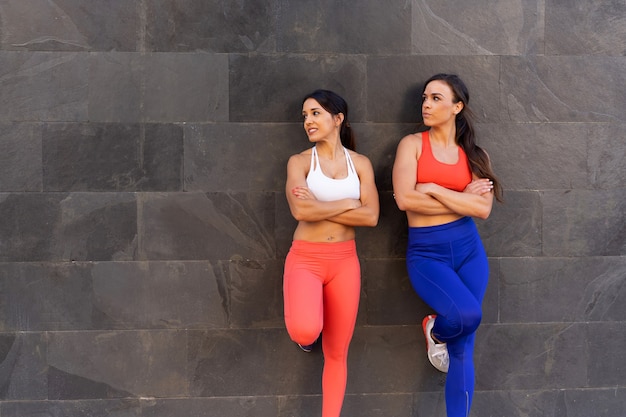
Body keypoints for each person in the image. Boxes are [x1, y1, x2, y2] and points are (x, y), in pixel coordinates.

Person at [392, 74, 503, 417]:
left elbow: (482, 209)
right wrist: (458, 198)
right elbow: (405, 200)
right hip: (427, 255)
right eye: (425, 97)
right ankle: (434, 329)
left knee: (464, 347)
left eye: (436, 98)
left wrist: (435, 189)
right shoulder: (411, 145)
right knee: (467, 315)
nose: (426, 104)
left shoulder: (474, 154)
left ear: (457, 106)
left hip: (469, 252)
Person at [283, 89, 379, 417]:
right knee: (305, 330)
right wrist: (348, 203)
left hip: (344, 262)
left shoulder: (361, 164)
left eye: (315, 113)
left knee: (337, 353)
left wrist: (319, 206)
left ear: (337, 118)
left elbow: (371, 216)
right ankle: (309, 331)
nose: (308, 121)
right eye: (305, 116)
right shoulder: (299, 162)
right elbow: (300, 212)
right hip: (306, 259)